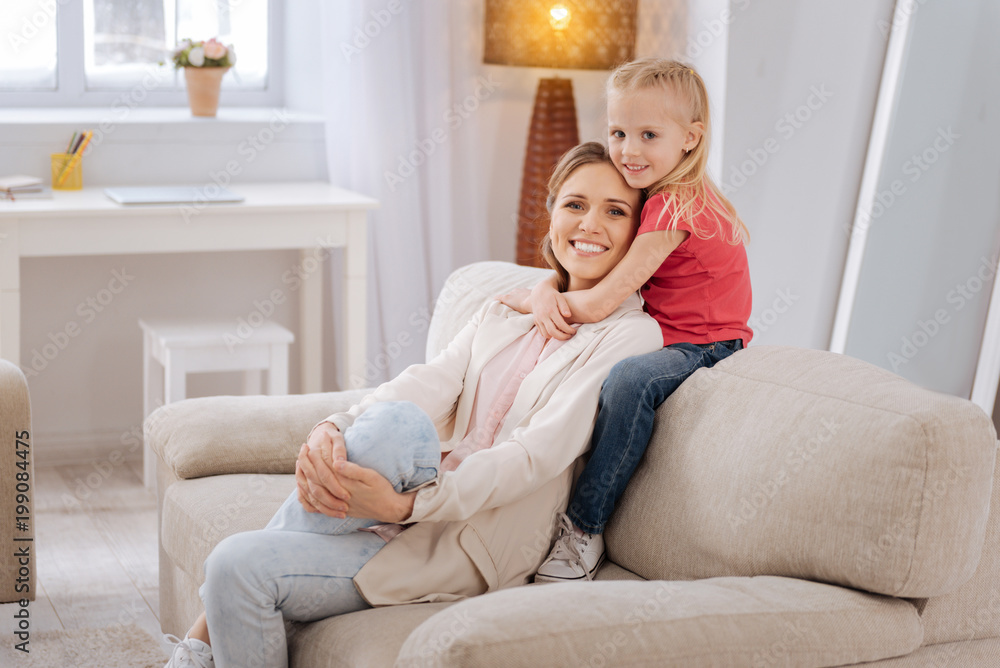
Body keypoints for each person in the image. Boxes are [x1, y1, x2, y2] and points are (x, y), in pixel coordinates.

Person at [164, 141, 663, 668]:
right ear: (552, 212)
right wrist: (332, 427)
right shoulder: (507, 309)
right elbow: (425, 382)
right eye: (575, 204)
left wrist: (406, 507)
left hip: (476, 534)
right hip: (413, 488)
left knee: (233, 566)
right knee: (394, 423)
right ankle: (201, 646)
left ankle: (197, 647)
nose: (590, 224)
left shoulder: (632, 335)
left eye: (615, 211)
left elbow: (534, 456)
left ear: (638, 235)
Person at [502, 59, 753, 583]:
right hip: (667, 327)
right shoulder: (662, 194)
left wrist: (536, 300)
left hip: (706, 344)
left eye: (648, 134)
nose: (628, 150)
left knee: (628, 380)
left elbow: (598, 301)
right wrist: (549, 284)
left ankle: (584, 527)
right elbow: (587, 274)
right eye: (618, 132)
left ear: (691, 137)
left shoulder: (674, 209)